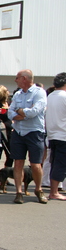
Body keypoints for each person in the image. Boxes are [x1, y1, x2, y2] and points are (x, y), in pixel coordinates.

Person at [7, 70, 48, 204]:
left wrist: (19, 112)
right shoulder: (18, 94)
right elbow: (9, 112)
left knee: (35, 164)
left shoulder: (39, 92)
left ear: (24, 78)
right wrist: (22, 113)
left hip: (34, 132)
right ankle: (19, 192)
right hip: (18, 132)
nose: (15, 80)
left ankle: (38, 189)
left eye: (17, 78)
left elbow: (34, 112)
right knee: (18, 163)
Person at [46, 72, 66, 200]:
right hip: (63, 135)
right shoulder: (64, 96)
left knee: (54, 162)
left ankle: (54, 190)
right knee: (60, 164)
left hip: (52, 134)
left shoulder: (50, 96)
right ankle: (54, 192)